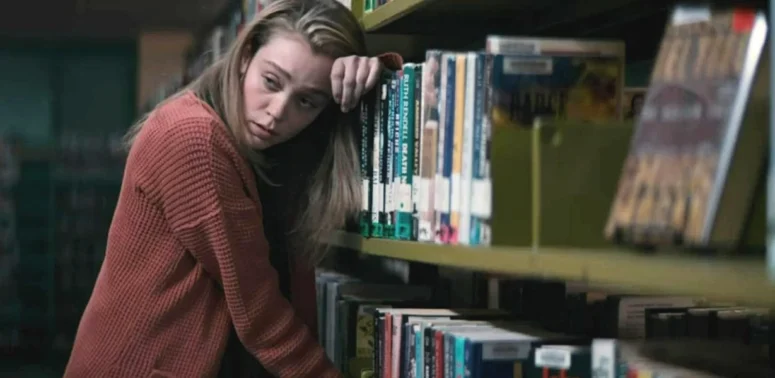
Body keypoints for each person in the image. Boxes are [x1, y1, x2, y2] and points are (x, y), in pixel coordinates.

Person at [62, 0, 402, 376]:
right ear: (245, 57)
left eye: (305, 100)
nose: (277, 111)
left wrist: (374, 76)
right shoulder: (195, 139)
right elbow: (260, 314)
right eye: (271, 81)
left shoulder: (275, 148)